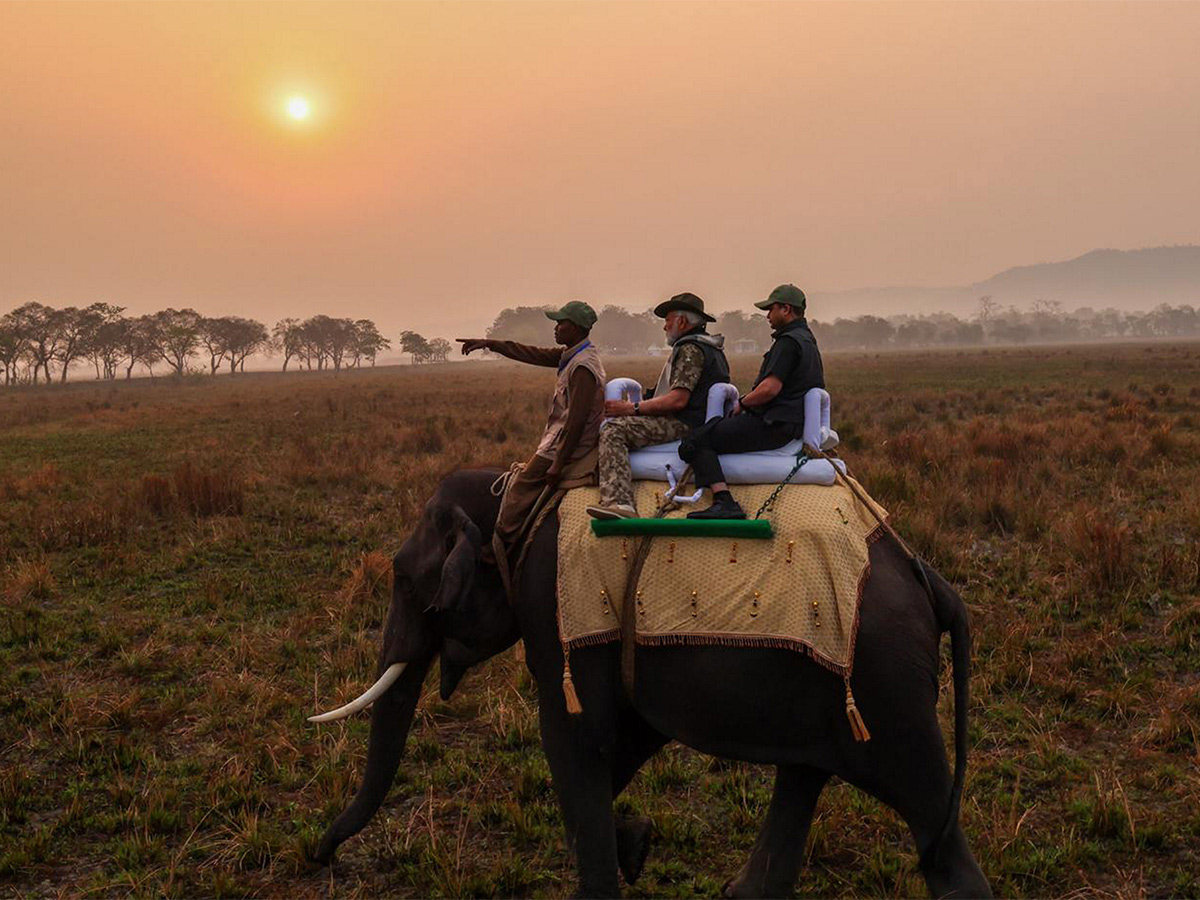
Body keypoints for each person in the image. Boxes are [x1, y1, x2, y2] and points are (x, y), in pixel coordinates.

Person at [457, 301, 605, 564]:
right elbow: (530, 353)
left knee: (521, 487)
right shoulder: (572, 355)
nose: (556, 329)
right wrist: (490, 343)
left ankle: (501, 548)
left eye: (562, 324)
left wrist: (558, 463)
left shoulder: (583, 366)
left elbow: (576, 423)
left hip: (569, 445)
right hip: (559, 439)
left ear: (578, 328)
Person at [678, 283, 825, 519]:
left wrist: (743, 404)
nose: (768, 315)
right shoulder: (807, 339)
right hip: (789, 423)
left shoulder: (788, 342)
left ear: (786, 309)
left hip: (773, 424)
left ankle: (723, 500)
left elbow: (770, 388)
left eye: (771, 309)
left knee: (696, 440)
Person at [587, 293, 729, 520]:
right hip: (700, 421)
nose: (665, 327)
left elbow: (678, 400)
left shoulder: (690, 349)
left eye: (668, 321)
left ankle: (619, 503)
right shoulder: (711, 347)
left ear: (682, 322)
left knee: (613, 430)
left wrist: (631, 409)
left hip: (685, 422)